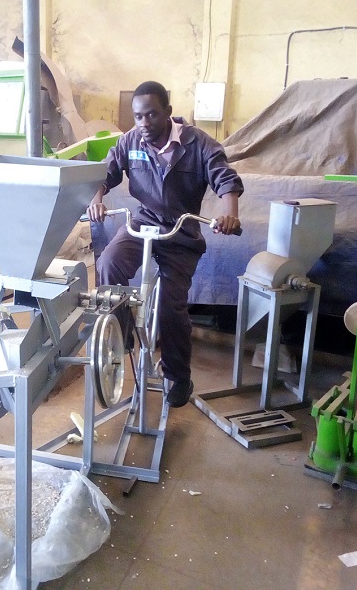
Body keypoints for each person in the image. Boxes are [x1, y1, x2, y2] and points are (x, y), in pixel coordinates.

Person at [86, 80, 243, 408]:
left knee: (172, 306)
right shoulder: (130, 140)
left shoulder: (198, 144)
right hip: (142, 224)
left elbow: (225, 178)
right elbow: (105, 173)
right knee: (108, 262)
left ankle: (178, 376)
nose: (144, 124)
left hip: (180, 234)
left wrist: (229, 212)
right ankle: (120, 331)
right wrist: (97, 198)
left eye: (152, 116)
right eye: (138, 117)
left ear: (168, 113)